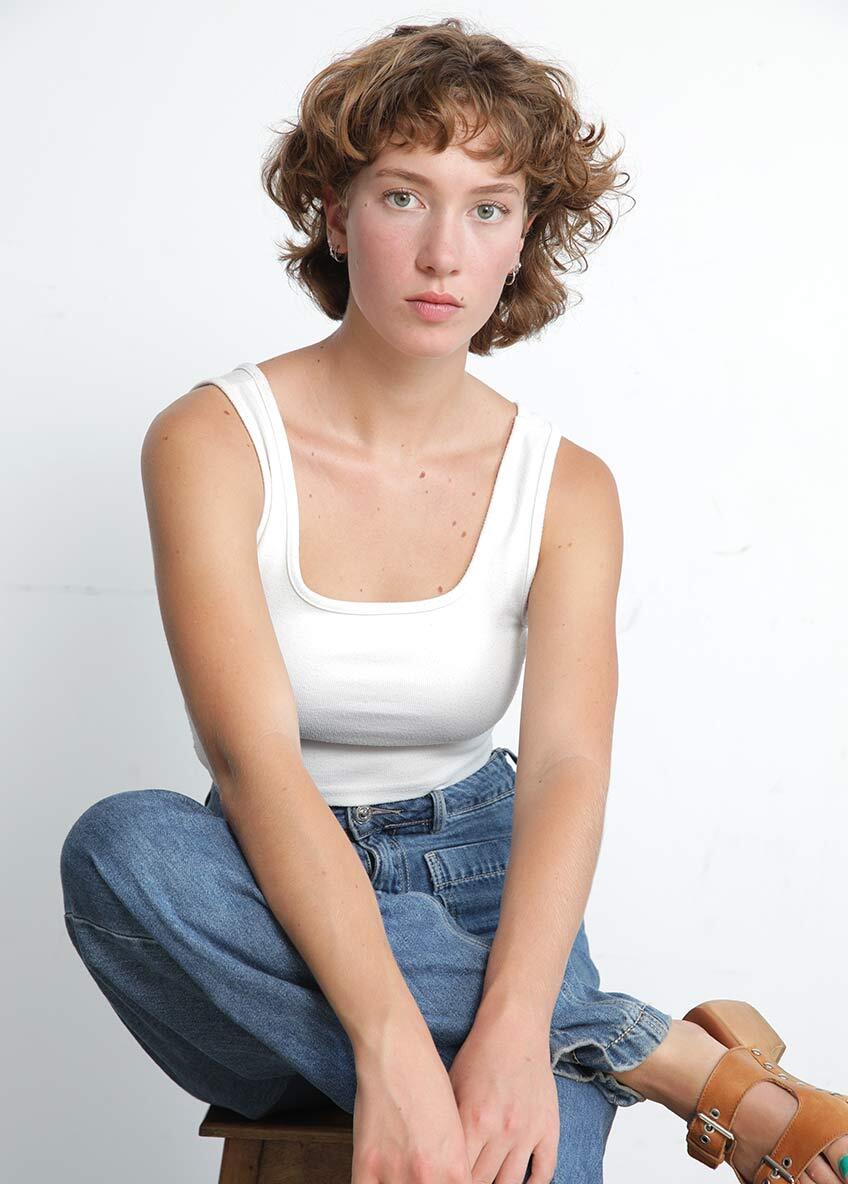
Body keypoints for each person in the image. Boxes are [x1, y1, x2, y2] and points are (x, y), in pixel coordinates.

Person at [59, 16, 848, 1184]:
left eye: (486, 208)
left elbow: (566, 762)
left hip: (483, 884)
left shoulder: (567, 484)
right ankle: (644, 1047)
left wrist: (515, 1024)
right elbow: (248, 753)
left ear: (522, 236)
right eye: (401, 198)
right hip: (262, 889)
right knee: (124, 849)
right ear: (336, 215)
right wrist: (389, 1043)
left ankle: (550, 1033)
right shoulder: (211, 440)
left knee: (509, 1134)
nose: (441, 252)